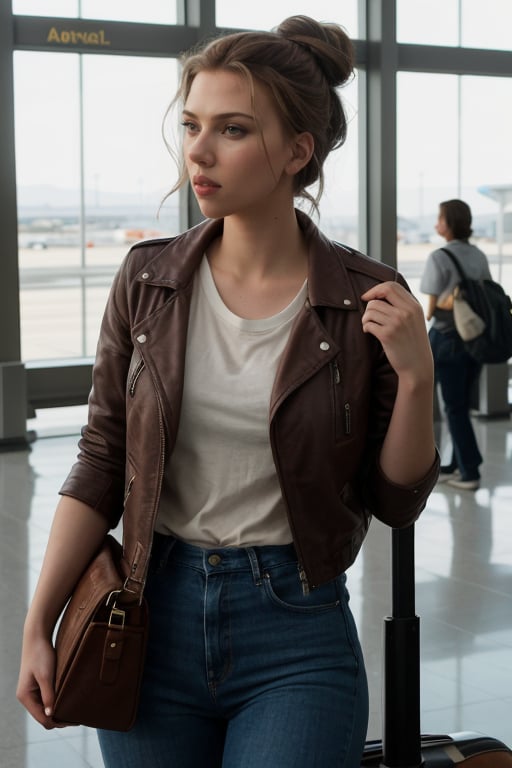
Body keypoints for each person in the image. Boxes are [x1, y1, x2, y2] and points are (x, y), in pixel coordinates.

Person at [17, 15, 439, 768]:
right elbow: (102, 459)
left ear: (296, 152)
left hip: (296, 631)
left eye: (233, 129)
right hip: (149, 617)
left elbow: (398, 497)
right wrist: (37, 623)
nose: (199, 152)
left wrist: (416, 377)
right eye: (191, 125)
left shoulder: (366, 296)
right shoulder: (147, 281)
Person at [420, 199, 492, 491]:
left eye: (440, 218)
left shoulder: (439, 257)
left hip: (447, 339)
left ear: (449, 223)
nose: (437, 224)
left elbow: (431, 310)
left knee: (454, 409)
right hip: (475, 340)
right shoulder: (478, 254)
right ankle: (453, 465)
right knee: (460, 405)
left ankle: (470, 472)